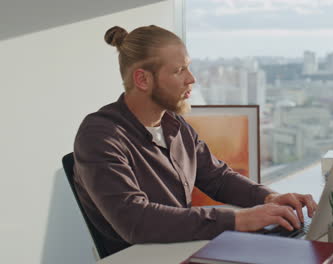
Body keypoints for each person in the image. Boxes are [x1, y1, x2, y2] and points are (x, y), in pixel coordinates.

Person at [73, 25, 318, 255]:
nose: (191, 78)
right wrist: (240, 220)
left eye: (188, 67)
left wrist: (268, 198)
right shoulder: (99, 136)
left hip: (185, 248)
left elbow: (218, 178)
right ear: (143, 80)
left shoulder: (174, 124)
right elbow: (135, 220)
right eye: (179, 70)